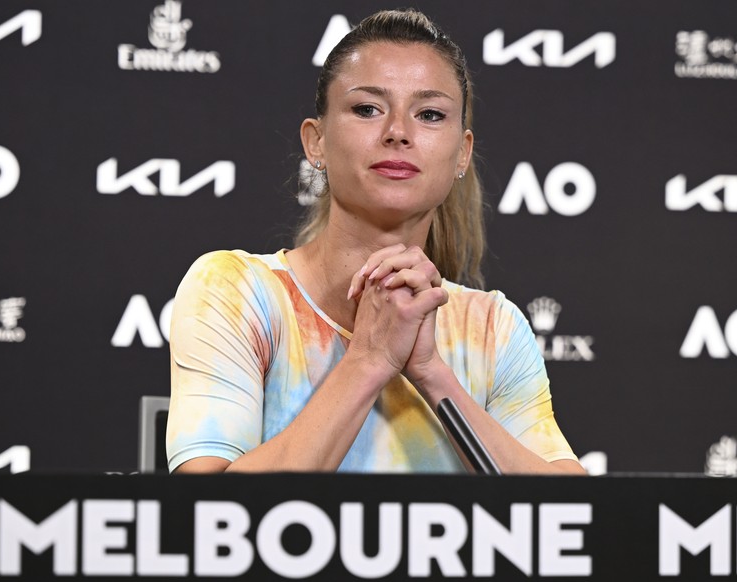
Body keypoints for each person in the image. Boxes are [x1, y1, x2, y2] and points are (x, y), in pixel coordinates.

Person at [167, 9, 585, 475]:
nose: (398, 133)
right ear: (316, 142)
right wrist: (370, 357)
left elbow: (572, 518)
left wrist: (431, 372)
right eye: (367, 109)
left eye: (429, 114)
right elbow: (202, 513)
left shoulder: (492, 327)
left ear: (462, 153)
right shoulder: (236, 291)